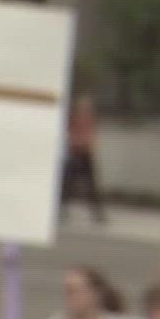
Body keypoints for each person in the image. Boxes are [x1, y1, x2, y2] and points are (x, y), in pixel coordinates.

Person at [62, 94, 107, 225]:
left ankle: (98, 213)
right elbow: (71, 135)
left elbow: (91, 135)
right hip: (76, 153)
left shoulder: (89, 119)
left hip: (86, 154)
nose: (86, 109)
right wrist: (76, 144)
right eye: (83, 106)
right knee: (69, 183)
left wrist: (89, 144)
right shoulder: (75, 119)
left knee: (91, 185)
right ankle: (61, 209)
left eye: (87, 107)